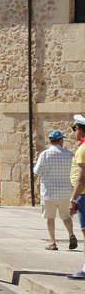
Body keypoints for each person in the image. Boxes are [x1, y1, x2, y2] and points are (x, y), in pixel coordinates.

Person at [33, 130, 77, 251]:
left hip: (49, 193)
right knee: (66, 216)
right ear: (61, 141)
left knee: (50, 218)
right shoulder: (69, 155)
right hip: (65, 192)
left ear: (51, 141)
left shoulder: (45, 155)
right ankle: (71, 234)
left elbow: (36, 171)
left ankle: (53, 242)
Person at [67, 115, 85, 280]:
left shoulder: (82, 149)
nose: (73, 132)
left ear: (80, 129)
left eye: (74, 128)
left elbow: (81, 178)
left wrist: (73, 199)